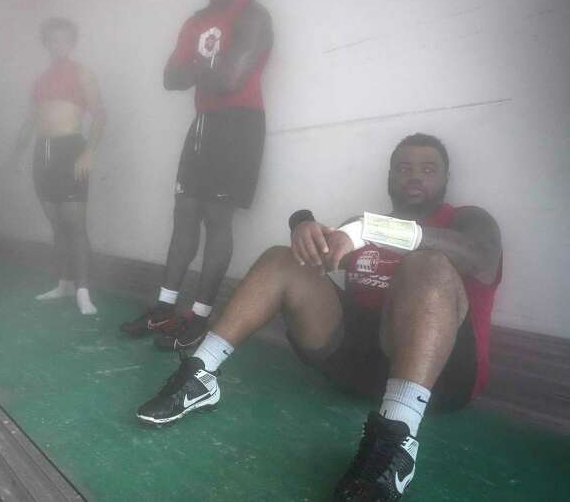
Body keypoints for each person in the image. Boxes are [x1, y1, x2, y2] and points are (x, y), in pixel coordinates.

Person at [136, 134, 503, 501]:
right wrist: (302, 227)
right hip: (359, 366)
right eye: (404, 168)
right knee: (284, 258)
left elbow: (482, 258)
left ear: (446, 177)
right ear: (390, 176)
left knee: (425, 264)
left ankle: (396, 439)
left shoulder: (467, 220)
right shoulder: (361, 224)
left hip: (440, 379)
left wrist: (373, 231)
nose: (415, 177)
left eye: (428, 169)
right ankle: (201, 374)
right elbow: (319, 254)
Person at [120, 0, 272, 349]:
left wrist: (196, 67)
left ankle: (200, 316)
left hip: (239, 125)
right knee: (184, 212)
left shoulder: (253, 16)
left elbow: (231, 80)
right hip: (204, 122)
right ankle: (164, 309)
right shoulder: (196, 20)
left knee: (217, 219)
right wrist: (208, 69)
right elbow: (170, 78)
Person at [13, 18, 106, 315]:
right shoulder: (40, 79)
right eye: (53, 40)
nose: (59, 46)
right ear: (46, 43)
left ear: (73, 42)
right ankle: (64, 283)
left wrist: (88, 152)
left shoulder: (82, 74)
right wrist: (17, 150)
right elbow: (31, 118)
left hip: (70, 150)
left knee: (75, 226)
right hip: (44, 152)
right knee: (57, 226)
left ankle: (83, 291)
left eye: (65, 40)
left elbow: (101, 116)